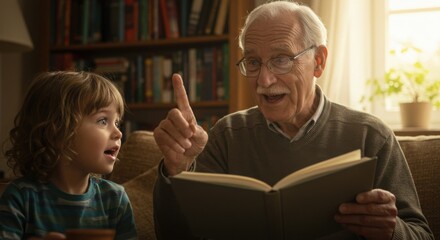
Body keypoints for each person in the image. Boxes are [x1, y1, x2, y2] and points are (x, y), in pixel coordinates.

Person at [153, 1, 434, 239]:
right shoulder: (227, 134)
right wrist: (176, 171)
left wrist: (392, 230)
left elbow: (421, 233)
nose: (264, 80)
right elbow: (175, 234)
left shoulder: (371, 136)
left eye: (282, 59)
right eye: (253, 62)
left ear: (319, 61)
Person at [0, 71, 137, 240]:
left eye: (117, 122)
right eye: (103, 121)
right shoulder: (21, 197)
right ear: (57, 131)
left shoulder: (115, 199)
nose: (119, 133)